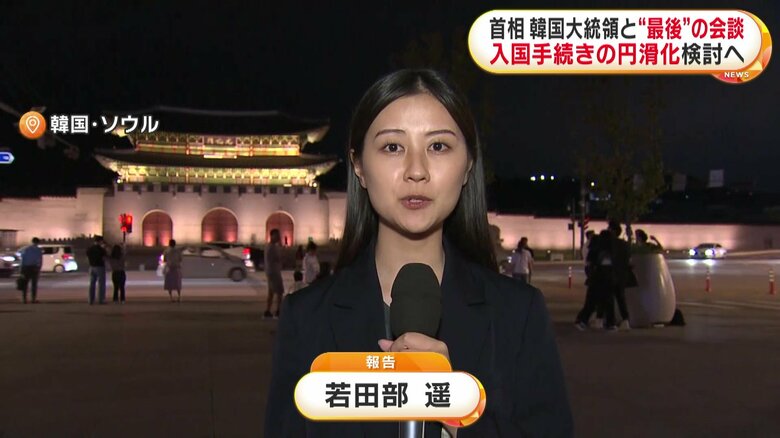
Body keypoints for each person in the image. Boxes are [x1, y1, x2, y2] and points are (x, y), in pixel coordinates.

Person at [265, 69, 572, 437]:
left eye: (438, 146)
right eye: (392, 147)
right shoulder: (306, 320)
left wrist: (457, 412)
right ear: (359, 166)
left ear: (468, 165)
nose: (416, 171)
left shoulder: (519, 316)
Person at [264, 229, 284, 318]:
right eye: (277, 235)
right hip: (274, 272)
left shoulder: (271, 246)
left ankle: (268, 310)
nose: (279, 237)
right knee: (280, 292)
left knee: (271, 292)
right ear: (272, 236)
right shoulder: (271, 247)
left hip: (271, 272)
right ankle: (278, 310)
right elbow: (276, 259)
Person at [18, 237, 43, 304]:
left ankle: (24, 299)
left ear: (32, 241)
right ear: (38, 242)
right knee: (34, 284)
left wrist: (21, 270)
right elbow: (40, 260)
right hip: (34, 268)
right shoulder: (38, 250)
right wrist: (39, 268)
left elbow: (22, 259)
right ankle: (33, 299)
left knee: (25, 284)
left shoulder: (26, 249)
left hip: (26, 268)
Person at [86, 235, 108, 305]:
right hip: (100, 267)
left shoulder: (90, 248)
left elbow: (87, 256)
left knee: (92, 284)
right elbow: (104, 257)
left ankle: (91, 299)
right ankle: (101, 299)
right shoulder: (101, 249)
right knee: (101, 284)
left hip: (92, 267)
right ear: (100, 241)